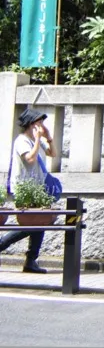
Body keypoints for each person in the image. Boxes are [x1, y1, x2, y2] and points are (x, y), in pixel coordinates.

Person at [2, 108, 54, 273]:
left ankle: (31, 260)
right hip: (24, 189)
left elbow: (53, 153)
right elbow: (30, 159)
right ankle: (6, 247)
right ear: (30, 125)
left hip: (37, 189)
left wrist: (48, 137)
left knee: (40, 222)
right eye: (38, 123)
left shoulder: (36, 140)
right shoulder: (22, 141)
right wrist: (38, 139)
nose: (41, 126)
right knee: (33, 223)